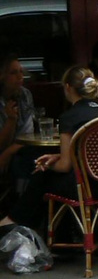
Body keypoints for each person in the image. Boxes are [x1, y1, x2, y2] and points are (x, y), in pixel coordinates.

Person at [0, 66, 98, 234]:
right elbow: (95, 153)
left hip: (84, 186)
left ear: (68, 88)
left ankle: (15, 223)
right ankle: (46, 231)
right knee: (49, 175)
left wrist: (48, 164)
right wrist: (57, 156)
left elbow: (65, 166)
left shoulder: (69, 117)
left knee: (42, 174)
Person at [1, 54, 38, 183]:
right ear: (2, 77)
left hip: (19, 149)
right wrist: (11, 120)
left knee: (32, 159)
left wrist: (9, 152)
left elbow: (28, 135)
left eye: (21, 72)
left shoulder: (24, 94)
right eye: (13, 73)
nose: (20, 77)